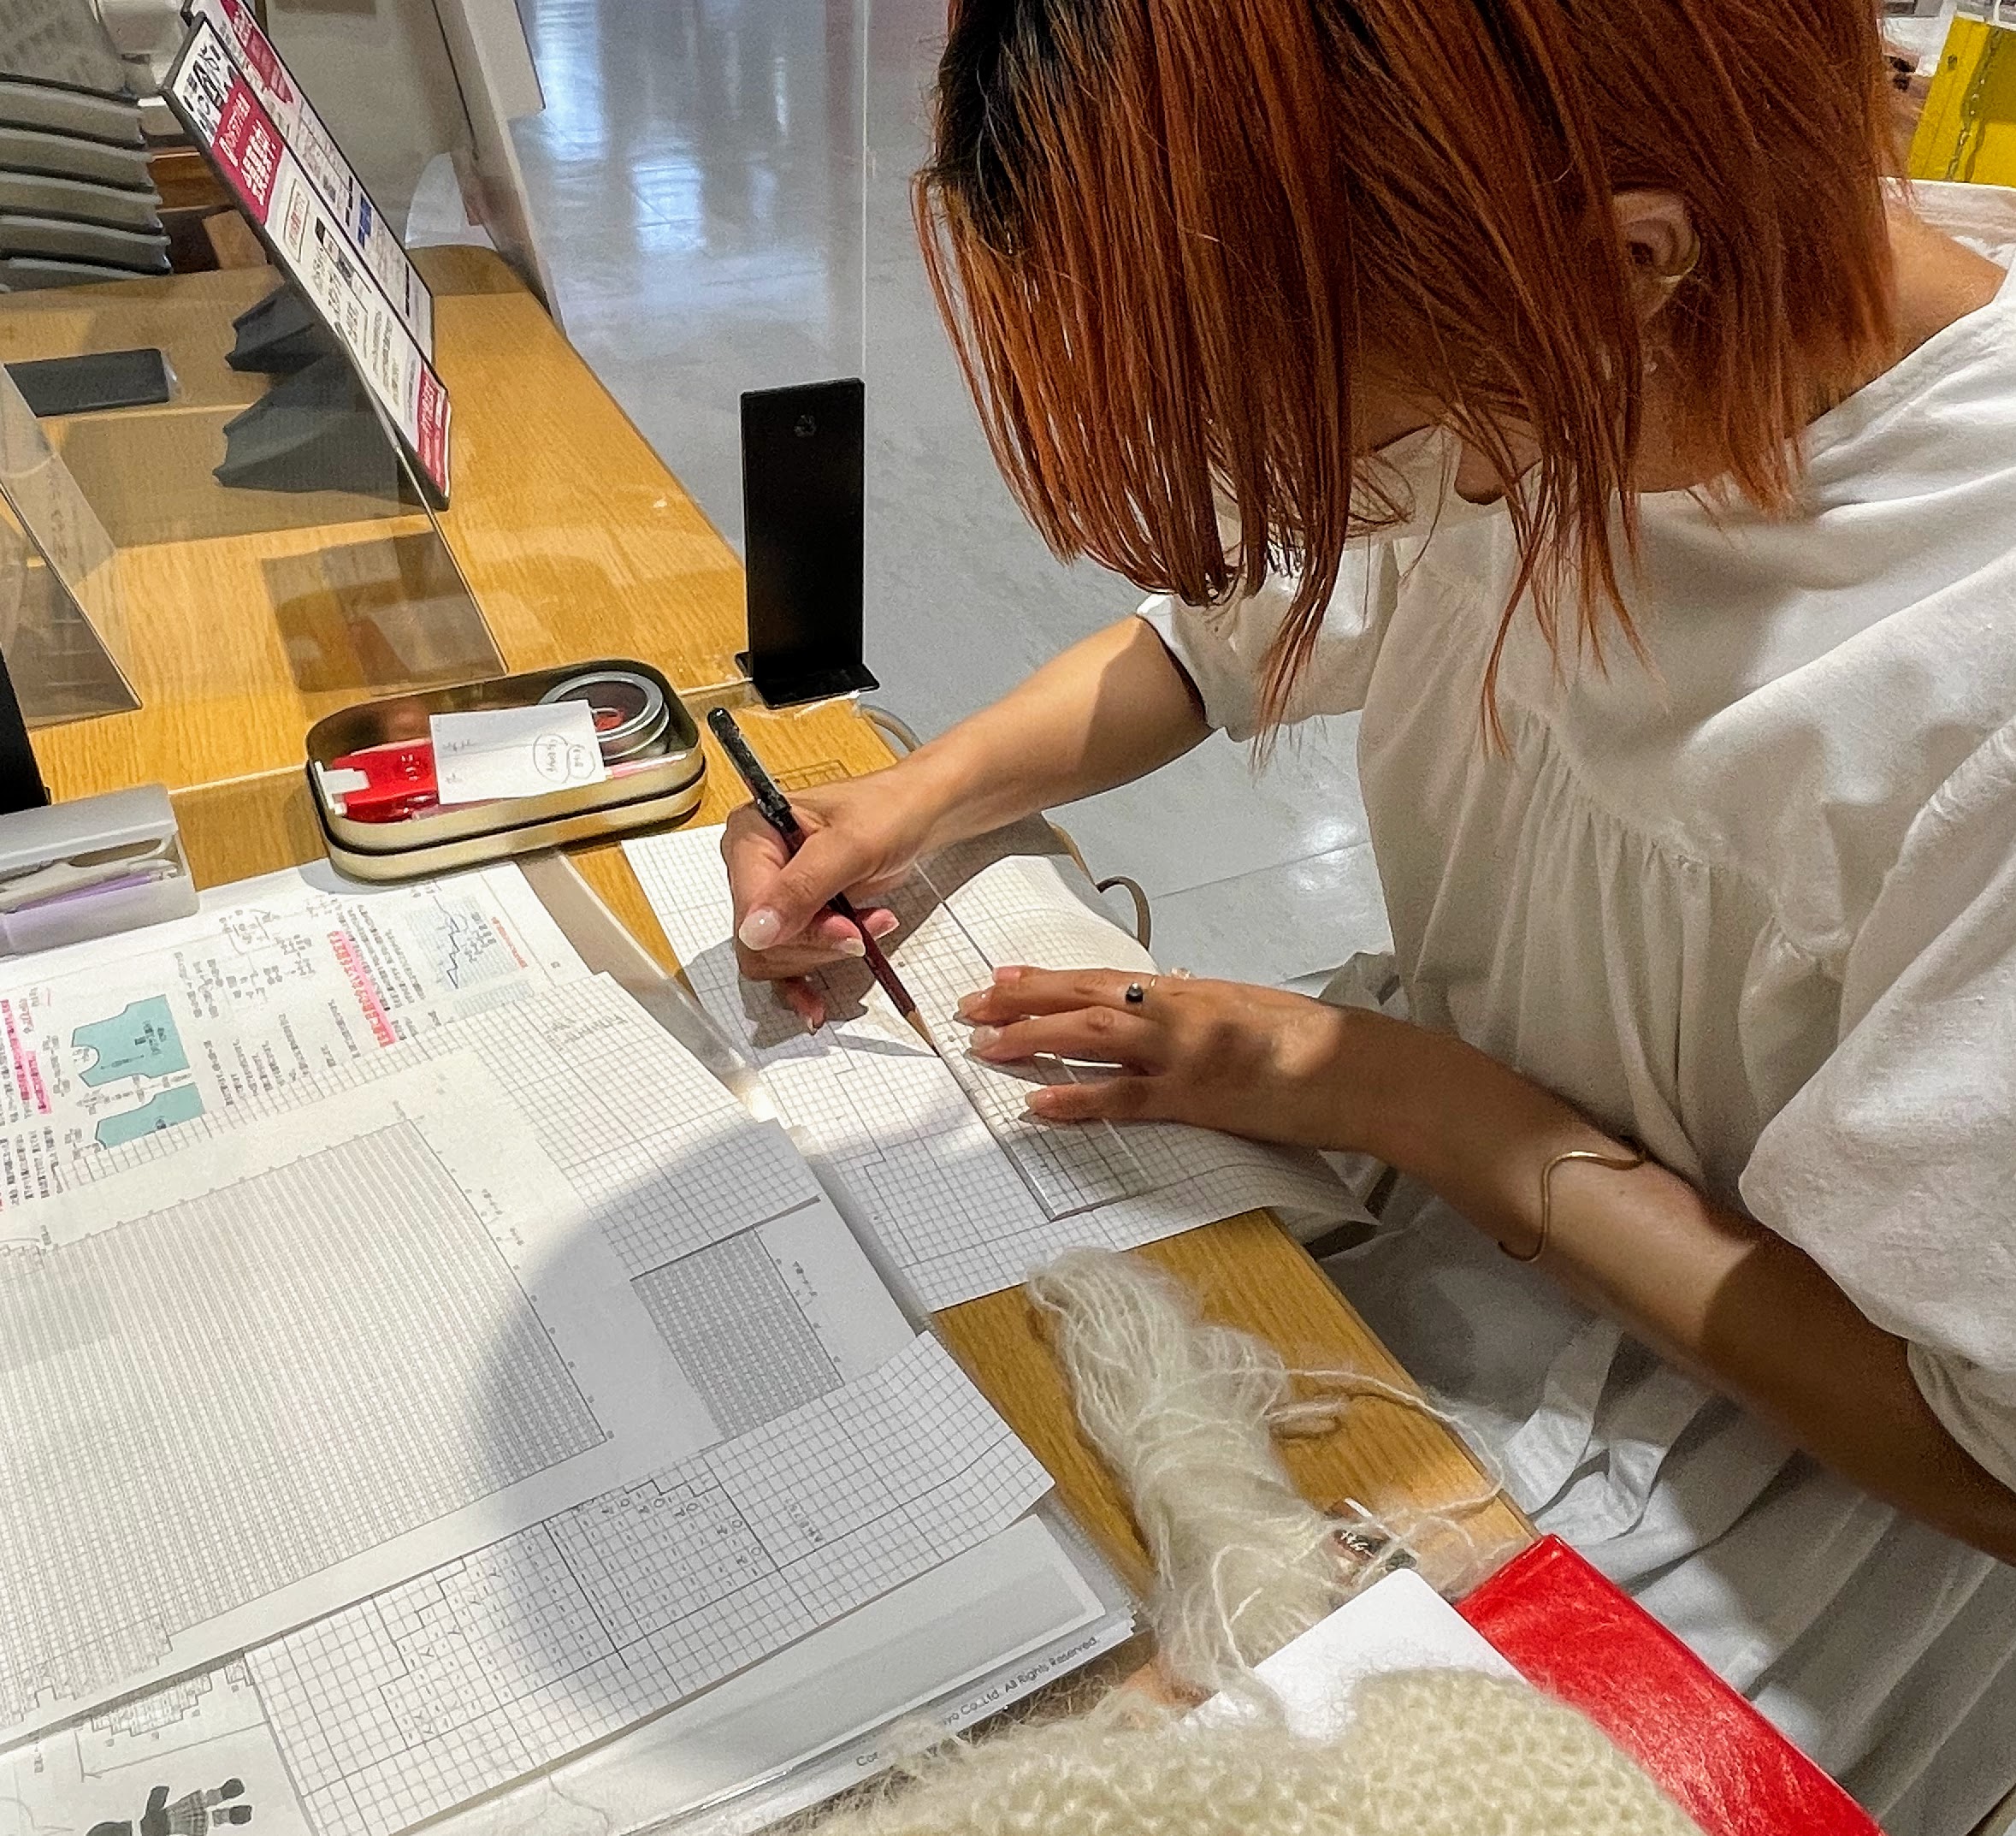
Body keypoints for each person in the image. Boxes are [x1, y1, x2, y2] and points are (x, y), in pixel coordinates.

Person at [722, 2, 2016, 1827]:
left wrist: (1397, 1091)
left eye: (1385, 449)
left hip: (1775, 1455)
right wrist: (918, 796)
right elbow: (1216, 643)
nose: (1360, 509)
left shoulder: (1967, 652)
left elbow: (1985, 1455)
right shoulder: (1605, 336)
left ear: (1618, 272)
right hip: (1438, 1210)